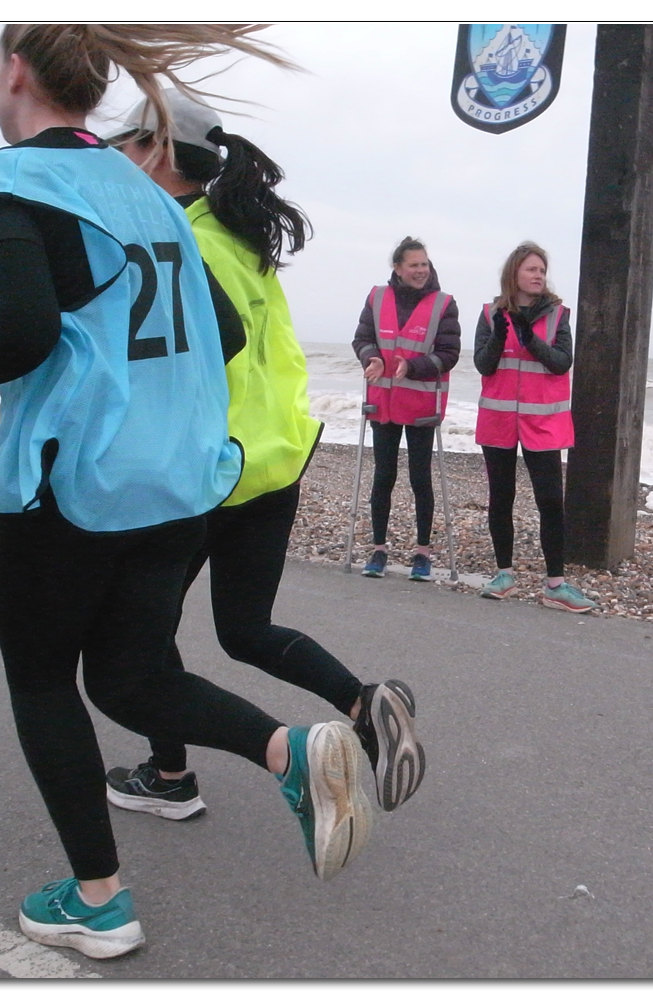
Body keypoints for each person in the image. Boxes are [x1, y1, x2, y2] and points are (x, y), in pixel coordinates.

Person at [0, 24, 373, 960]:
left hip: (75, 483)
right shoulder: (148, 194)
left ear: (16, 71)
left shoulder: (8, 177)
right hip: (179, 481)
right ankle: (290, 751)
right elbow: (224, 331)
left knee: (42, 680)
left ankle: (99, 899)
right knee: (129, 675)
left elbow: (24, 326)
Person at [100, 89, 425, 819]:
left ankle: (171, 776)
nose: (112, 161)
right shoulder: (239, 237)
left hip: (208, 469)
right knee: (245, 628)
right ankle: (365, 705)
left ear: (152, 151)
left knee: (140, 645)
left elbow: (199, 351)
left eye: (120, 145)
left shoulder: (178, 236)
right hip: (274, 461)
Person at [473, 242, 597, 613]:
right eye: (531, 269)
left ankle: (555, 584)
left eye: (541, 269)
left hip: (542, 422)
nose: (538, 275)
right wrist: (499, 334)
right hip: (499, 420)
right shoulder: (490, 313)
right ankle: (504, 575)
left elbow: (561, 363)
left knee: (550, 501)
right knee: (501, 496)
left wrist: (530, 340)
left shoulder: (558, 316)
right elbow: (484, 365)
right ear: (514, 274)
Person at [351, 237, 461, 582]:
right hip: (382, 401)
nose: (421, 271)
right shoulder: (377, 297)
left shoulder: (444, 304)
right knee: (384, 475)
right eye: (414, 265)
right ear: (397, 268)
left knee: (420, 477)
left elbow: (449, 353)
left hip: (420, 404)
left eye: (425, 264)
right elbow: (362, 338)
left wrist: (413, 367)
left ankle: (423, 553)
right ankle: (378, 549)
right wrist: (370, 357)